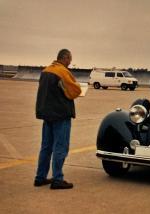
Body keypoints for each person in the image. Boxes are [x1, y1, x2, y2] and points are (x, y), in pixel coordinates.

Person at [34, 49, 81, 189]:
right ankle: (57, 179)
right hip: (60, 115)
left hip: (47, 114)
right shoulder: (62, 72)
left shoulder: (46, 71)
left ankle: (40, 177)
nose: (70, 62)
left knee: (46, 147)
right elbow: (75, 91)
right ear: (65, 58)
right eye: (70, 59)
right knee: (60, 147)